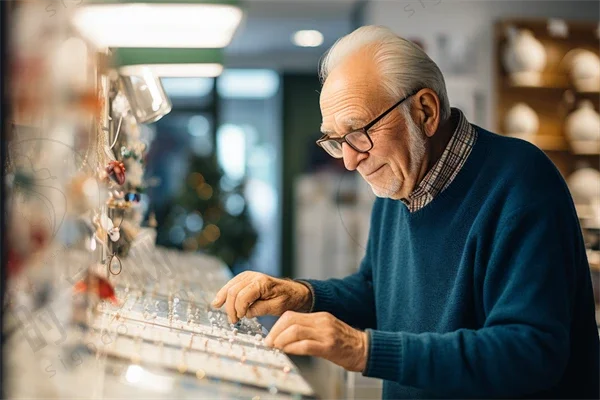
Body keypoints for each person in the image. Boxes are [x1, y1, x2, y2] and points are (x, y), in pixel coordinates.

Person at [212, 25, 600, 399]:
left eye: (359, 131)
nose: (349, 161)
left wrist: (364, 350)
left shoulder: (521, 183)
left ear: (425, 112)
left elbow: (531, 352)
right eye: (336, 140)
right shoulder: (400, 181)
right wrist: (301, 294)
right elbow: (376, 291)